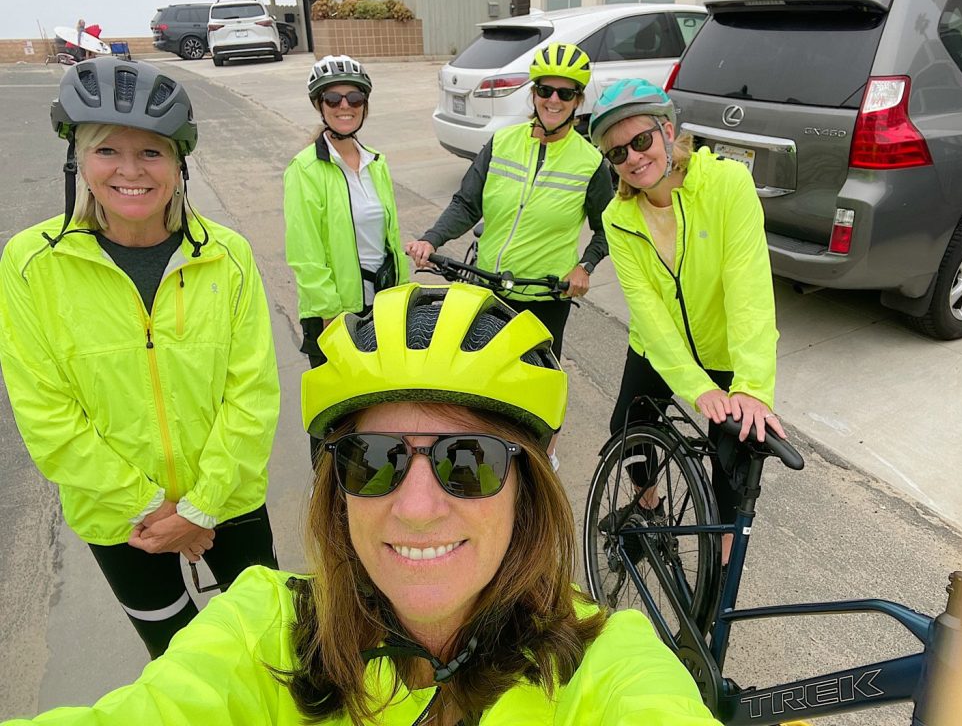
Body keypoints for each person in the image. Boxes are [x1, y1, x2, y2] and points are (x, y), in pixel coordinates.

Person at [0, 282, 723, 726]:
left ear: (528, 486)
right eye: (372, 462)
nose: (414, 508)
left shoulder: (607, 659)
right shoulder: (264, 630)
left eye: (465, 463)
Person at [0, 58, 280, 658]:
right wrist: (155, 507)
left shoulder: (226, 256)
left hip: (227, 499)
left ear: (180, 165)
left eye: (152, 153)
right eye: (108, 152)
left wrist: (201, 507)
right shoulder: (30, 264)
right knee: (176, 658)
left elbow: (251, 393)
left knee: (269, 647)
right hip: (121, 517)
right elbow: (46, 415)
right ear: (79, 159)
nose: (130, 171)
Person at [588, 79, 782, 554]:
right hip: (657, 347)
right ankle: (648, 505)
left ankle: (716, 589)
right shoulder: (618, 218)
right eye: (618, 154)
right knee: (628, 430)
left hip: (724, 351)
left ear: (668, 130)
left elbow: (749, 290)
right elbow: (649, 314)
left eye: (641, 140)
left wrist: (751, 388)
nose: (633, 158)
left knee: (731, 475)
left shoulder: (729, 185)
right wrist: (696, 388)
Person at [405, 42, 613, 363]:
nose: (553, 100)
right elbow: (466, 204)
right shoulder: (502, 142)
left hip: (546, 295)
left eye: (565, 93)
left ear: (579, 100)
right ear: (533, 94)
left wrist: (584, 267)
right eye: (545, 90)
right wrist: (431, 239)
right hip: (487, 287)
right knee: (479, 375)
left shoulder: (590, 163)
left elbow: (606, 231)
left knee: (536, 384)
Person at [284, 54, 409, 371]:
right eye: (333, 98)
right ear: (320, 105)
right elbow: (304, 252)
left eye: (354, 97)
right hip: (335, 313)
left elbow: (389, 240)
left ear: (364, 104)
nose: (345, 106)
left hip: (381, 305)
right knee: (340, 413)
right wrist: (331, 313)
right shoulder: (306, 169)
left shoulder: (376, 163)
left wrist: (402, 295)